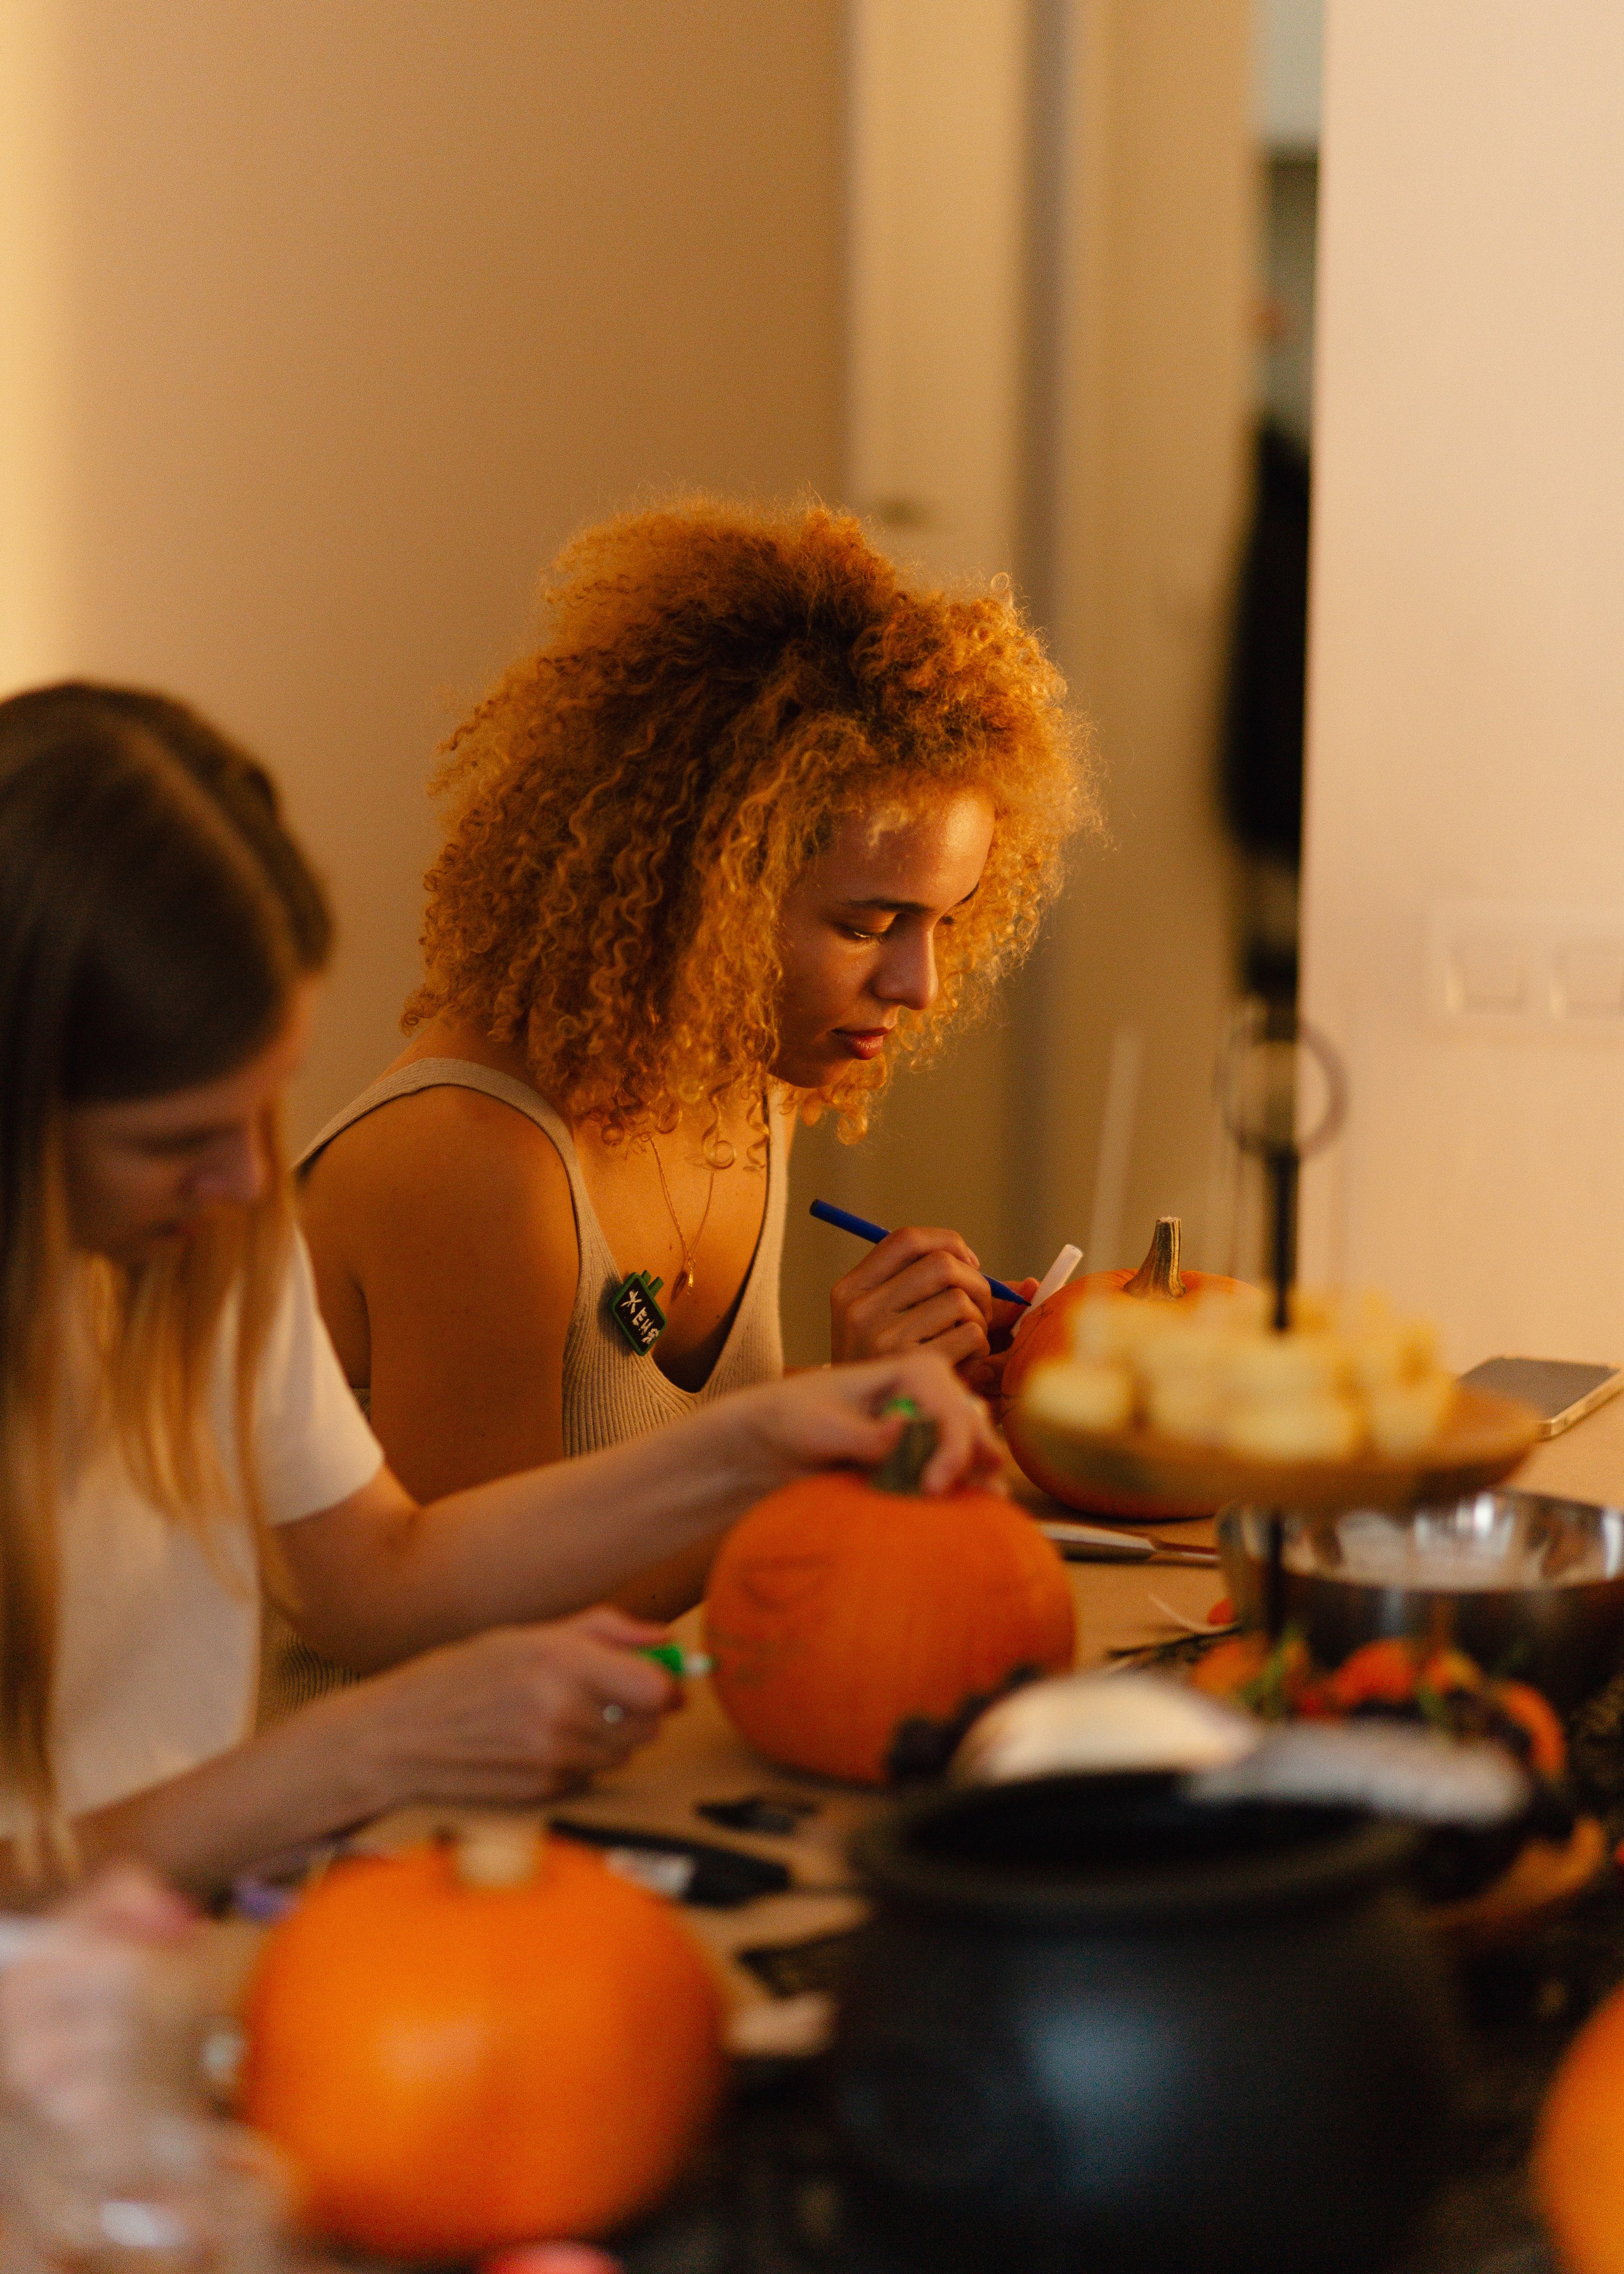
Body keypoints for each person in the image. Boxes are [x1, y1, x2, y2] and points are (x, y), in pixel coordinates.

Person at [0, 681, 999, 1893]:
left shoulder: (208, 1230)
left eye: (264, 1107)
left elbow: (373, 1575)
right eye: (174, 1140)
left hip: (166, 1949)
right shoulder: (447, 1160)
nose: (255, 1181)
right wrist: (370, 1747)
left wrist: (764, 1444)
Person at [299, 500, 1089, 1624]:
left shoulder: (749, 1083)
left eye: (947, 922)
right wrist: (835, 1440)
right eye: (868, 925)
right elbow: (489, 1636)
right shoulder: (476, 1167)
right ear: (705, 890)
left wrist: (886, 1393)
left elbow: (665, 1467)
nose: (918, 985)